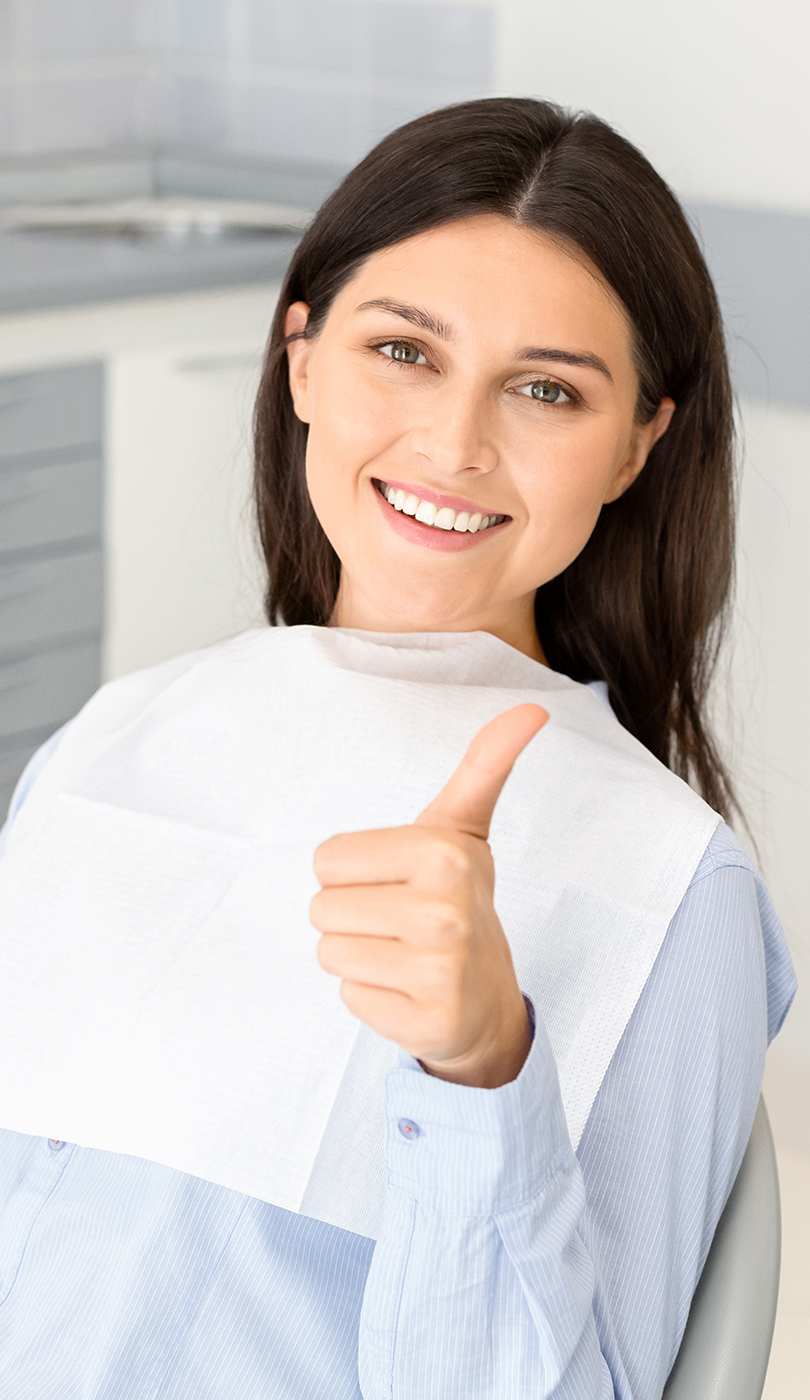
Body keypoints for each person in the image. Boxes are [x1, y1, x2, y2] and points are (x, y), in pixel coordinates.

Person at [0, 98, 796, 1400]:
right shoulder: (113, 741)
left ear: (635, 447)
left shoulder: (665, 890)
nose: (453, 444)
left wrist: (481, 1069)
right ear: (300, 359)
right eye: (402, 351)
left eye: (545, 389)